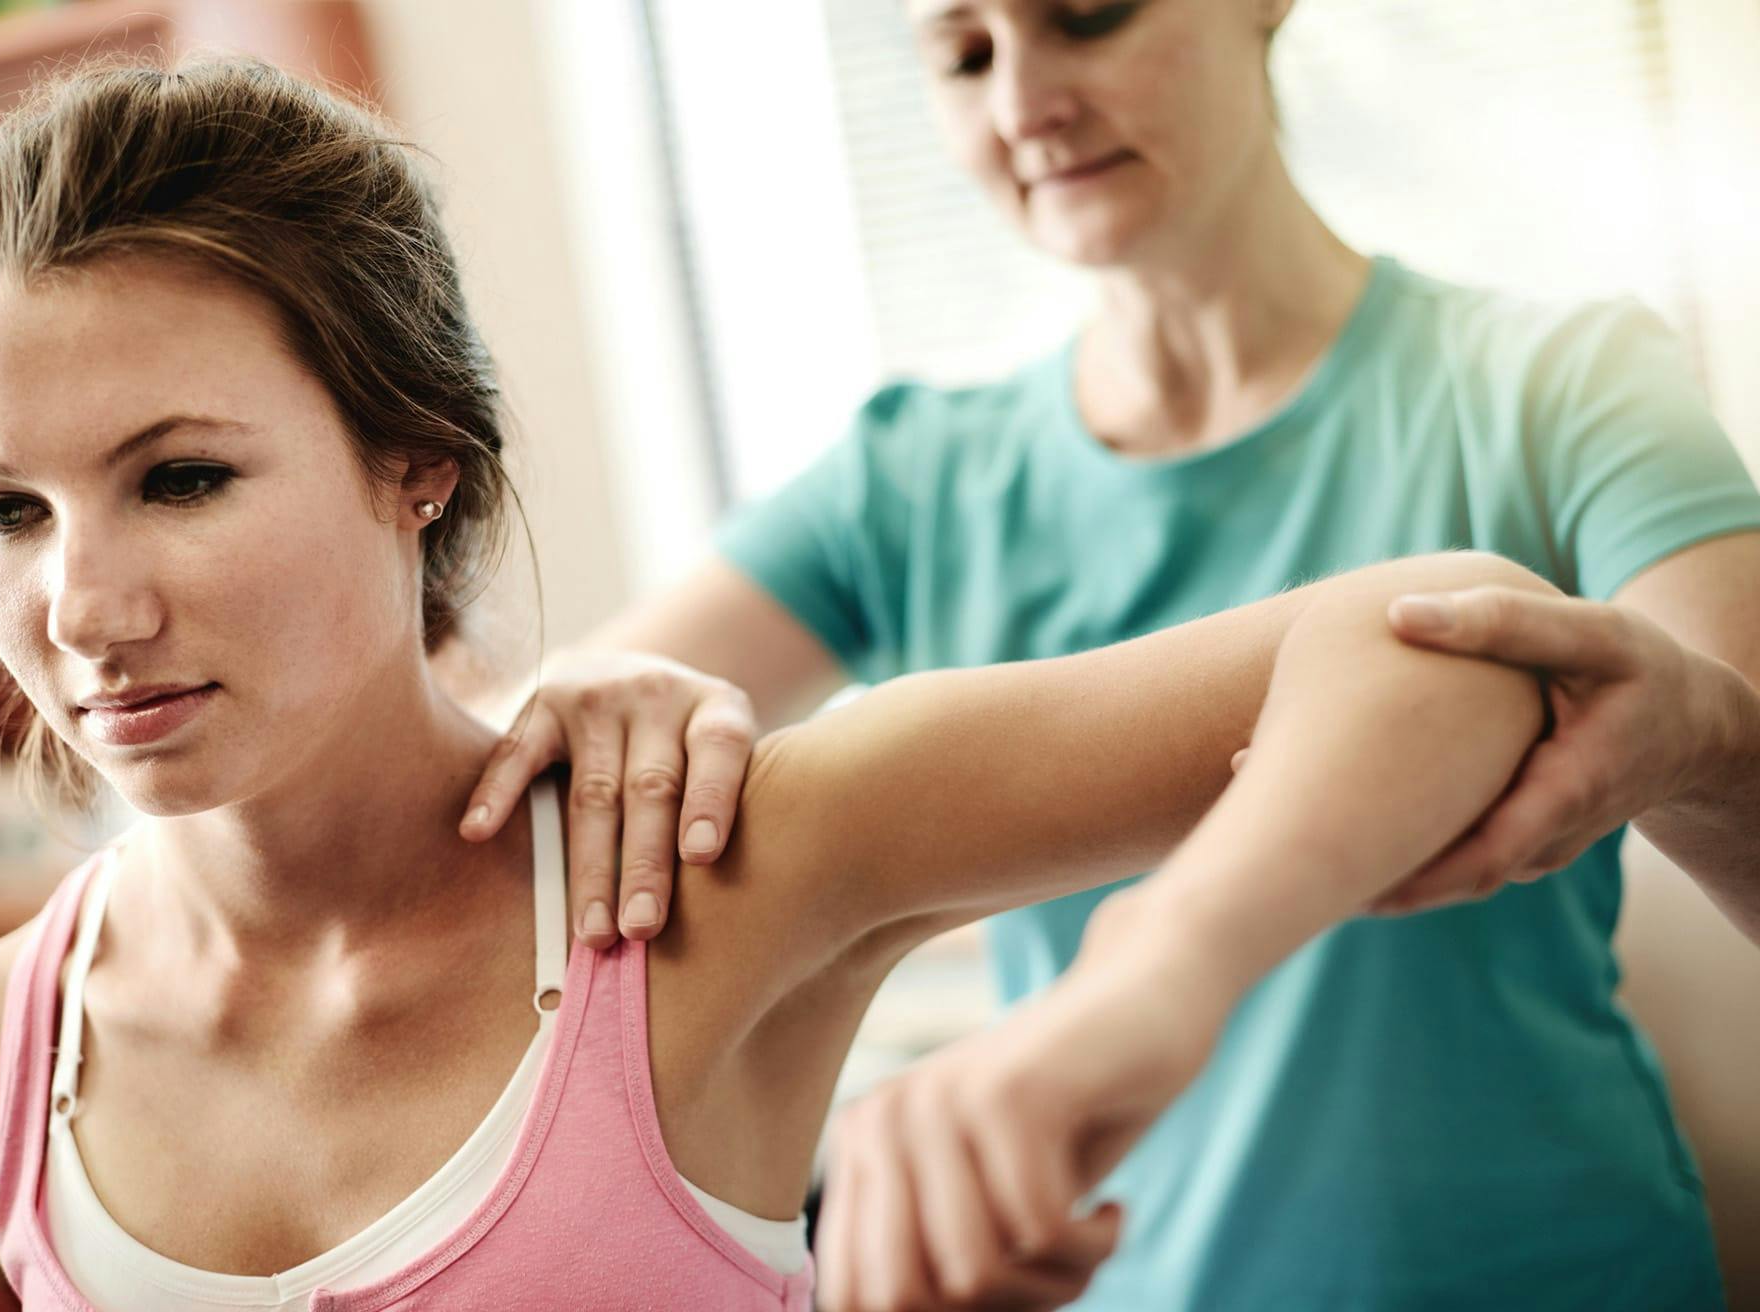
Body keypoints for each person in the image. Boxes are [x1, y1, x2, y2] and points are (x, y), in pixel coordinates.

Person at [0, 52, 1573, 1311]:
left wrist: (1125, 1008)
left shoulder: (706, 869)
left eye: (180, 479)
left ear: (418, 465)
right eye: (5, 507)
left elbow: (1461, 629)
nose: (79, 604)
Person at [458, 0, 1760, 1305]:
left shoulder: (1562, 384)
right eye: (966, 56)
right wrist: (591, 692)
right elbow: (493, 785)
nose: (1025, 105)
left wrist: (1700, 733)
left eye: (1086, 18)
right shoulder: (913, 480)